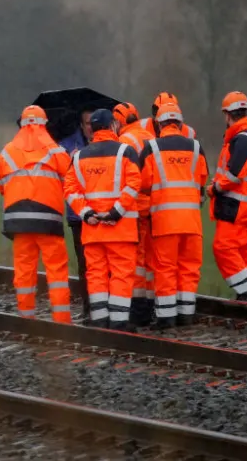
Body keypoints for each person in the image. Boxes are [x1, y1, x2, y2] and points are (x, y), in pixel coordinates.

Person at [62, 108, 141, 332]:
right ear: (113, 126)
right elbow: (134, 184)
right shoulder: (126, 152)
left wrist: (86, 213)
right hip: (121, 228)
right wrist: (116, 211)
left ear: (92, 129)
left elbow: (70, 189)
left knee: (95, 274)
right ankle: (118, 322)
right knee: (121, 273)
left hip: (92, 229)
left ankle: (98, 320)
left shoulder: (79, 157)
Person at [0, 105, 74, 323]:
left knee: (24, 271)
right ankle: (62, 321)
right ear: (43, 124)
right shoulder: (55, 150)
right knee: (56, 272)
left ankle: (26, 319)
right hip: (48, 219)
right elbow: (70, 178)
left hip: (17, 220)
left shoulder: (7, 151)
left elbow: (0, 183)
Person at [139, 100, 208, 329]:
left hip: (165, 222)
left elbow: (143, 183)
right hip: (192, 222)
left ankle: (166, 318)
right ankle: (186, 315)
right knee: (189, 268)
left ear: (159, 124)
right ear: (180, 123)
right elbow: (202, 180)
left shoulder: (152, 147)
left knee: (165, 268)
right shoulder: (196, 147)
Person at [208, 91, 247, 302]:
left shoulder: (242, 140)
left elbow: (233, 175)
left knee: (223, 247)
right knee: (246, 250)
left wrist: (213, 189)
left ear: (228, 115)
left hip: (236, 207)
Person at [113, 101, 156, 327]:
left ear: (119, 122)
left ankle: (138, 309)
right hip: (156, 205)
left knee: (137, 259)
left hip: (137, 206)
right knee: (151, 258)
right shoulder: (151, 137)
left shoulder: (123, 142)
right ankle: (150, 307)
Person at [57, 108, 94, 319]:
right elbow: (63, 180)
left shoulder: (106, 143)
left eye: (93, 123)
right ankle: (89, 308)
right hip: (78, 215)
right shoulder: (67, 146)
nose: (91, 128)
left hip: (102, 213)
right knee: (84, 265)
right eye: (87, 123)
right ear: (81, 125)